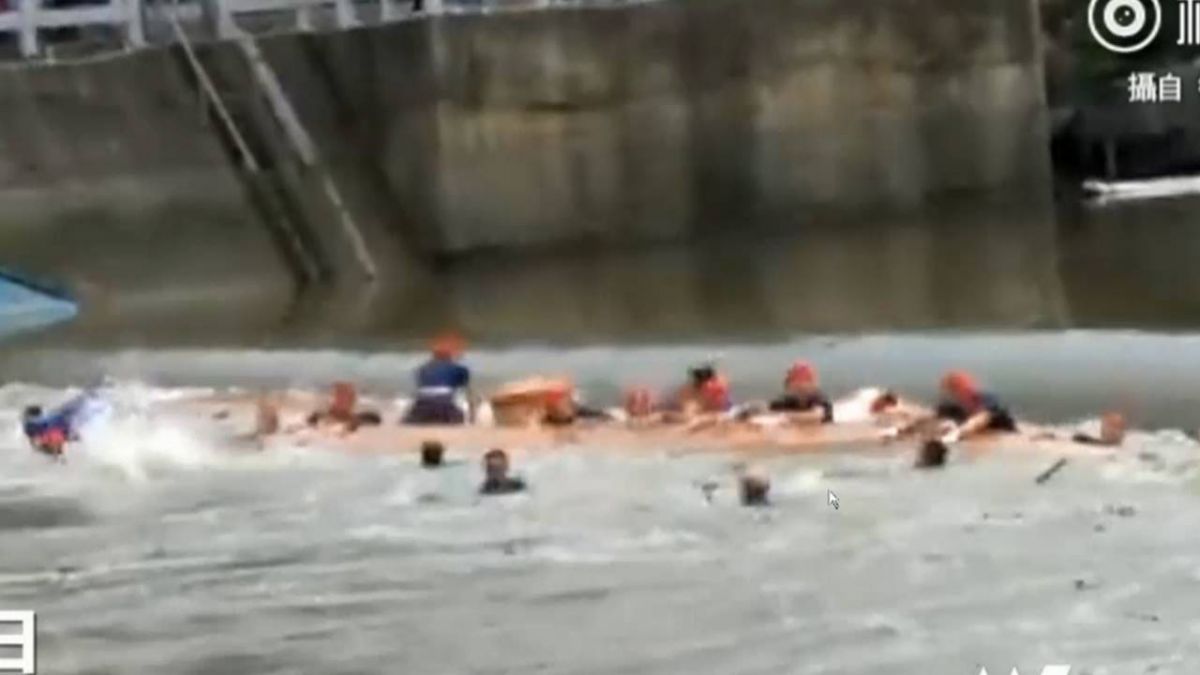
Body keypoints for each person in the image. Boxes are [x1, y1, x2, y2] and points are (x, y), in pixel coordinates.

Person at [404, 332, 472, 425]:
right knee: (458, 417)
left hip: (421, 405)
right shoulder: (460, 369)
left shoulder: (422, 369)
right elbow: (466, 392)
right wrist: (472, 416)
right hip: (444, 405)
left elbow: (422, 388)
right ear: (452, 354)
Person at [22, 389, 105, 458]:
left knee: (85, 404)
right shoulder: (37, 428)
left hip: (66, 417)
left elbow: (57, 443)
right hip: (63, 416)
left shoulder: (45, 428)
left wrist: (56, 457)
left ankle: (95, 394)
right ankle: (94, 394)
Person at [306, 382, 382, 434]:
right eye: (339, 397)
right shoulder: (317, 417)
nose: (342, 401)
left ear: (352, 401)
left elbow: (376, 421)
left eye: (346, 398)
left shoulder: (361, 419)